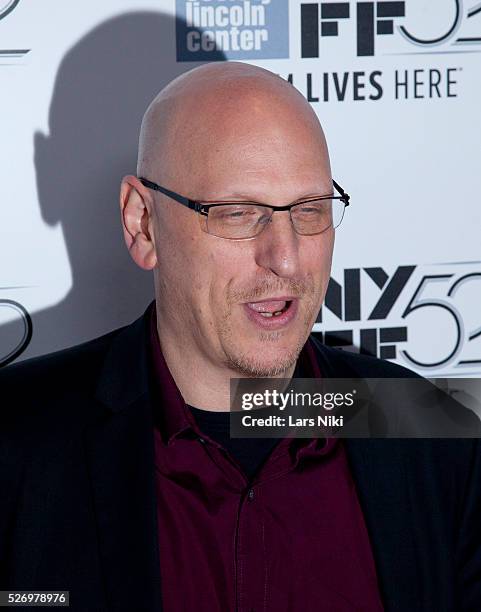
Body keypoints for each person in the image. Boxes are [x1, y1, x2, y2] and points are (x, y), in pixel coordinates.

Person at [0, 62, 479, 612]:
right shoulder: (17, 444)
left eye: (309, 209)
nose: (285, 256)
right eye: (237, 213)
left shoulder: (429, 433)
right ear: (142, 223)